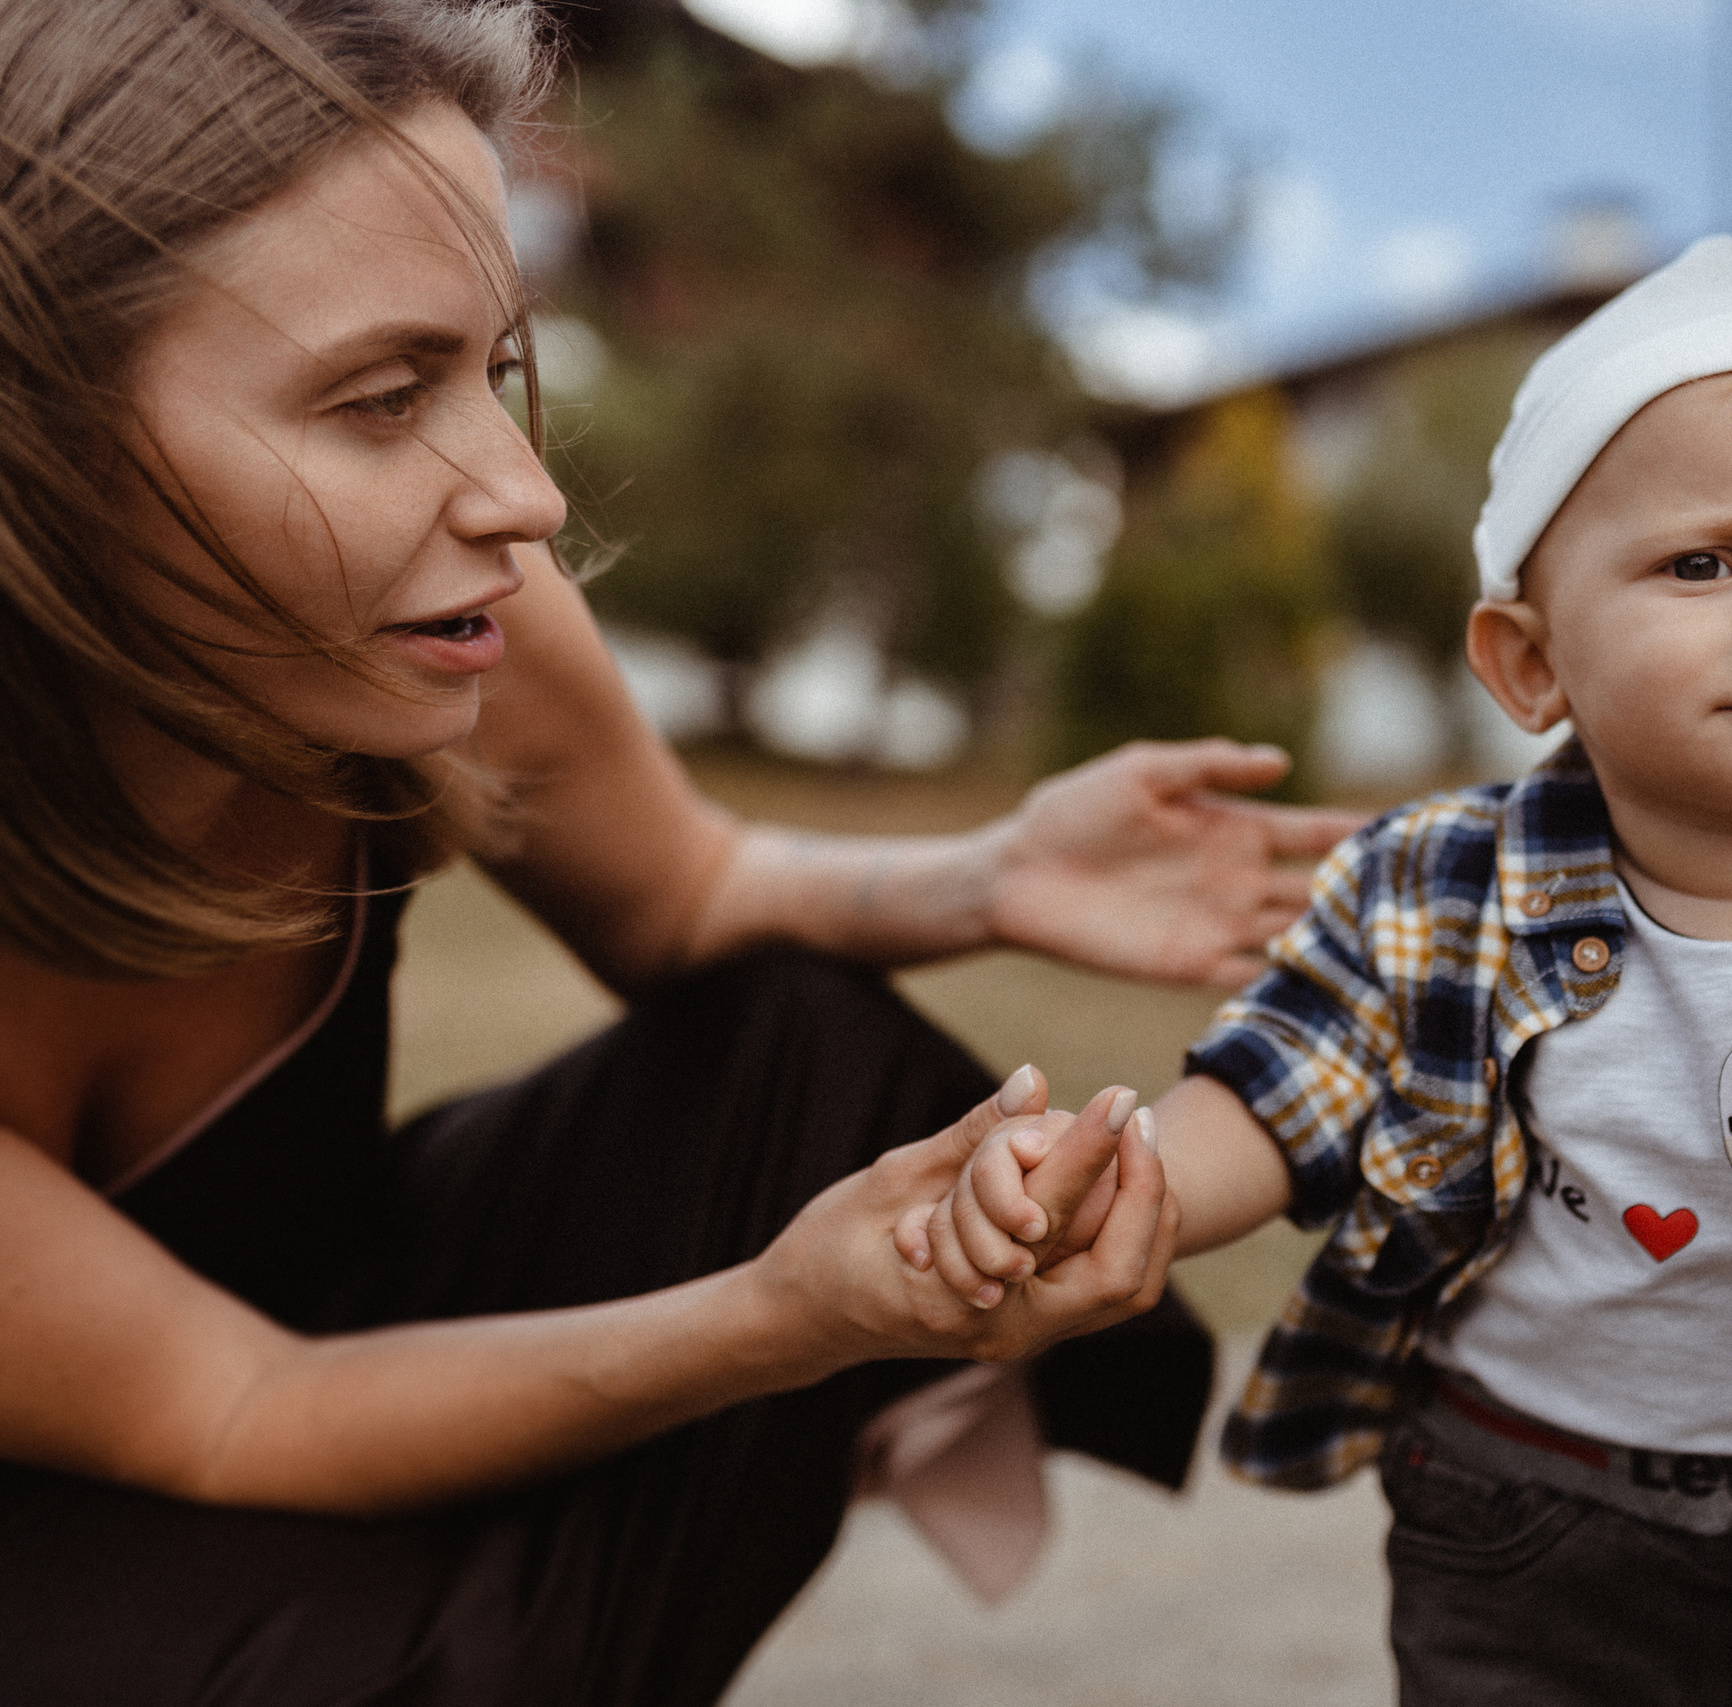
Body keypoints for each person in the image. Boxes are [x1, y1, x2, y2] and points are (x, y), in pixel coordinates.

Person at [0, 3, 1365, 1703]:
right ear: (38, 441)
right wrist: (788, 1315)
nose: (523, 496)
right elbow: (237, 1410)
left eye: (497, 370)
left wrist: (986, 877)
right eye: (383, 398)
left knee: (800, 1046)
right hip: (121, 1479)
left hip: (301, 1327)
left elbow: (688, 896)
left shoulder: (439, 617)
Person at [918, 236, 1732, 1702]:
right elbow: (1282, 1086)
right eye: (1702, 562)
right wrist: (1119, 1183)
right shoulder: (1441, 884)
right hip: (1525, 1510)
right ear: (1531, 663)